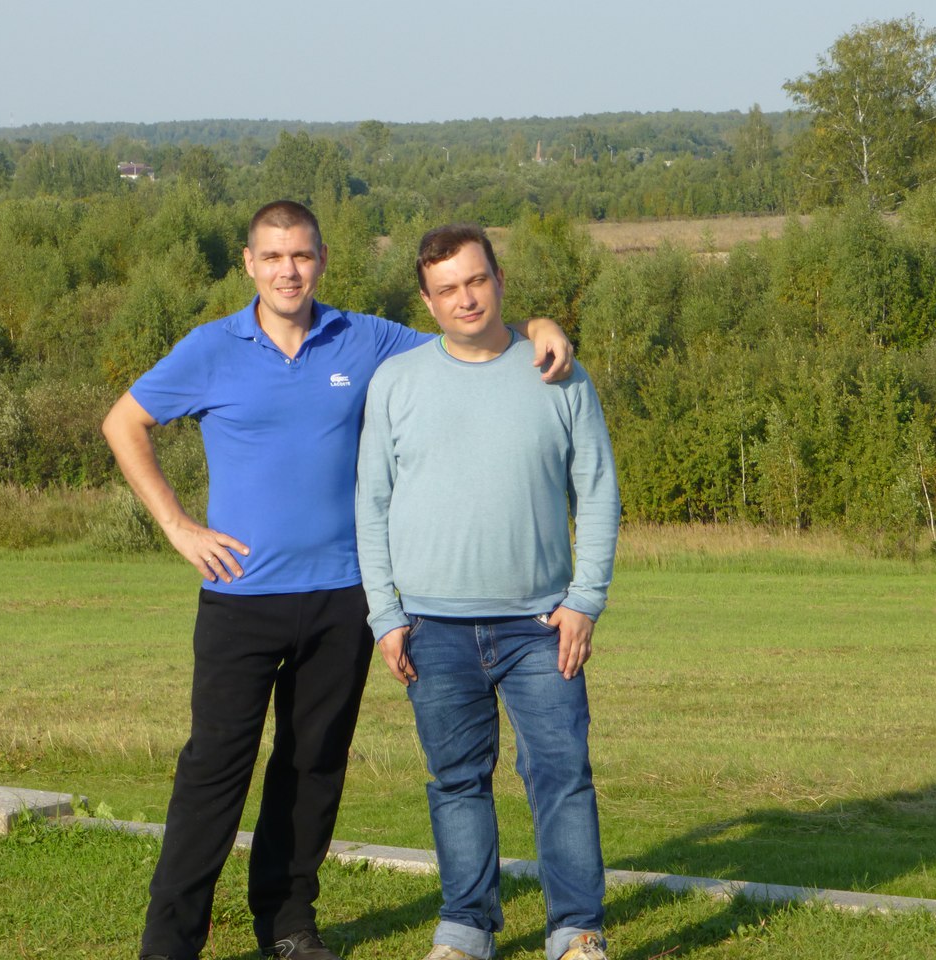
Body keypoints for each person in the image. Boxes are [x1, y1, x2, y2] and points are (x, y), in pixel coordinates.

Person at [100, 201, 575, 960]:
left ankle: (288, 926)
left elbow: (464, 336)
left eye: (302, 255)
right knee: (214, 772)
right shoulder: (211, 348)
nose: (288, 271)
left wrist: (540, 327)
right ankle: (170, 943)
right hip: (240, 599)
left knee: (313, 767)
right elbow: (123, 423)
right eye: (273, 256)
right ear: (249, 264)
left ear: (321, 260)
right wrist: (178, 527)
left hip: (340, 598)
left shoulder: (365, 336)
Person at [355, 224, 621, 960]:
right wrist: (385, 615)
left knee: (562, 778)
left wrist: (585, 599)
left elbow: (598, 491)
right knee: (456, 783)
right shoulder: (396, 382)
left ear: (499, 279)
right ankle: (465, 931)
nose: (465, 298)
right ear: (427, 301)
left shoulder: (558, 374)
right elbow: (370, 504)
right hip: (431, 628)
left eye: (476, 280)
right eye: (447, 289)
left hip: (542, 626)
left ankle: (576, 932)